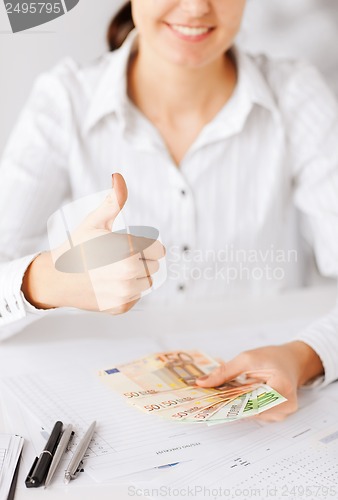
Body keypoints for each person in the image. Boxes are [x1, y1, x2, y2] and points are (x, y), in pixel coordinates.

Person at [0, 0, 338, 421]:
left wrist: (304, 356)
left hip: (268, 419)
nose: (196, 7)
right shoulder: (64, 100)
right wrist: (47, 281)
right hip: (100, 412)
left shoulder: (296, 94)